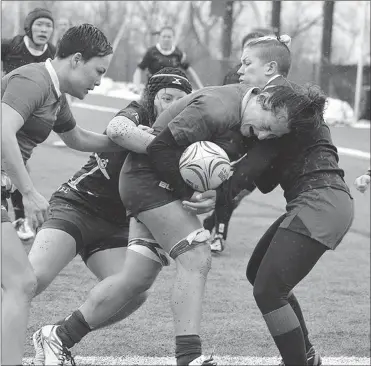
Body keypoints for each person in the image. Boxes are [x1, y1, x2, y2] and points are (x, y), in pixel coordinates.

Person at [117, 81, 321, 365]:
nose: (262, 136)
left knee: (135, 280)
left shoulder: (260, 117)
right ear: (263, 98)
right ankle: (188, 357)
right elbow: (160, 148)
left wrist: (217, 193)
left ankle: (60, 334)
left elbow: (258, 178)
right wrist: (192, 191)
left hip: (159, 184)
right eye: (265, 127)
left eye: (272, 134)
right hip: (146, 182)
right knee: (197, 254)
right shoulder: (216, 108)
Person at [30, 68, 193, 365]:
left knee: (133, 290)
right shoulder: (135, 113)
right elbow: (118, 128)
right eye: (166, 98)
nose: (171, 106)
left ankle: (58, 335)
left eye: (180, 101)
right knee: (33, 279)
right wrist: (167, 150)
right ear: (151, 98)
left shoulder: (187, 135)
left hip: (117, 224)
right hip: (77, 205)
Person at [186, 83, 353, 365]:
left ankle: (299, 362)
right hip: (322, 203)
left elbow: (250, 171)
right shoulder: (298, 118)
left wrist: (216, 193)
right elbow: (265, 181)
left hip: (320, 204)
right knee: (258, 273)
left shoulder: (287, 122)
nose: (263, 134)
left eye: (247, 64)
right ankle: (307, 355)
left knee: (268, 290)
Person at [1, 23, 121, 366]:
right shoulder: (34, 80)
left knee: (18, 283)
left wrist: (131, 142)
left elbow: (77, 138)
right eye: (98, 71)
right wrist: (29, 192)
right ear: (77, 59)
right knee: (21, 283)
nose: (98, 81)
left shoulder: (54, 94)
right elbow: (2, 129)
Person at [205, 32, 290, 253]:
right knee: (228, 184)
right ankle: (217, 233)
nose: (242, 69)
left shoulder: (282, 97)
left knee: (234, 190)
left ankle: (210, 225)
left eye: (248, 61)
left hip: (260, 152)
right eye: (243, 60)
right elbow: (226, 108)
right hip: (237, 142)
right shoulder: (235, 77)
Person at [1, 7, 56, 240]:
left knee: (14, 167)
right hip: (7, 112)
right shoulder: (11, 45)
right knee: (12, 168)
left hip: (30, 118)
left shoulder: (53, 53)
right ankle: (19, 219)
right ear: (29, 26)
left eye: (48, 25)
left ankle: (20, 221)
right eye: (39, 24)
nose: (43, 29)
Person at [132, 25, 203, 92]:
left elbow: (189, 71)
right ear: (159, 37)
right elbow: (139, 70)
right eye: (164, 36)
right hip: (152, 91)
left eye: (169, 37)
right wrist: (136, 87)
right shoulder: (151, 52)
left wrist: (201, 88)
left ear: (173, 38)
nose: (166, 39)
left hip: (172, 91)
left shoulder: (178, 53)